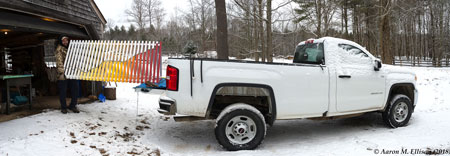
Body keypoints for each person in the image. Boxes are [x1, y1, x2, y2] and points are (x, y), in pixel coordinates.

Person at [55, 36, 80, 114]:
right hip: (63, 73)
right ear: (61, 42)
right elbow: (59, 62)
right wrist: (62, 72)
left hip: (72, 72)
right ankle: (63, 107)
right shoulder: (59, 49)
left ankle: (73, 105)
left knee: (75, 89)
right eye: (63, 41)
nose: (65, 42)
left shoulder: (71, 48)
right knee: (63, 91)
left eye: (66, 40)